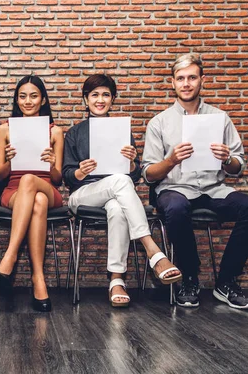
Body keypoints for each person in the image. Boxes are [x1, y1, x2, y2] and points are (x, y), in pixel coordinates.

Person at [142, 53, 248, 310]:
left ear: (202, 80)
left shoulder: (220, 118)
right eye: (180, 79)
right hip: (174, 189)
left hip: (214, 188)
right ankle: (189, 277)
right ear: (173, 83)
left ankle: (226, 281)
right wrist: (171, 160)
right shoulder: (159, 122)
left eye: (192, 78)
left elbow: (237, 166)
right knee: (175, 208)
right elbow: (149, 174)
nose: (186, 83)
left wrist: (226, 158)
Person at [62, 74, 182, 308]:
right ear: (85, 99)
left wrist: (131, 165)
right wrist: (80, 172)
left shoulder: (122, 131)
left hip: (115, 194)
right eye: (94, 95)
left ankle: (116, 281)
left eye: (105, 94)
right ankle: (153, 251)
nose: (100, 99)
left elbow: (134, 176)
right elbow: (66, 175)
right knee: (118, 182)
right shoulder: (74, 133)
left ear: (113, 99)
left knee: (118, 208)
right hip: (83, 195)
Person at [0, 75, 64, 312]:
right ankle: (38, 279)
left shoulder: (55, 131)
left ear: (43, 100)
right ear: (16, 99)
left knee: (32, 182)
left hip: (47, 186)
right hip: (13, 191)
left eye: (34, 96)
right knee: (37, 202)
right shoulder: (5, 129)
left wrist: (52, 163)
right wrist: (11, 161)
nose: (28, 101)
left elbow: (58, 178)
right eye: (22, 96)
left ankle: (9, 257)